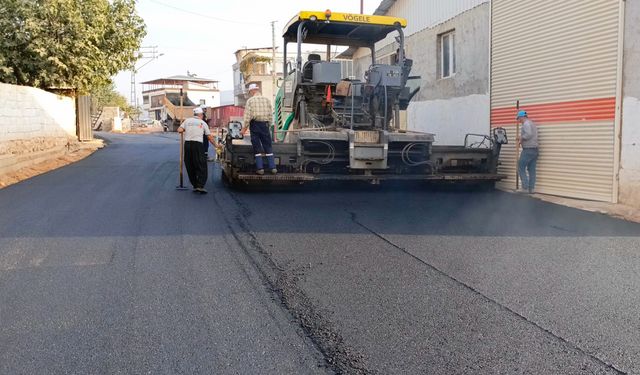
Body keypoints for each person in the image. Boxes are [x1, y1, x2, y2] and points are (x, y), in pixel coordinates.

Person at [177, 107, 221, 194]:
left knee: (190, 164)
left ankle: (195, 185)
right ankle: (200, 186)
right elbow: (209, 137)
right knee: (201, 164)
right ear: (201, 115)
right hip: (198, 145)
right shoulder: (203, 123)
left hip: (188, 145)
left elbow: (179, 130)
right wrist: (216, 145)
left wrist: (186, 129)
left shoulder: (187, 121)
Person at [241, 83, 277, 175]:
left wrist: (244, 128)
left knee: (257, 146)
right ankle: (273, 168)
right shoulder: (267, 100)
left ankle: (260, 169)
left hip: (255, 125)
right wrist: (268, 125)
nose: (250, 93)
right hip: (265, 125)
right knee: (267, 145)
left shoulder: (250, 101)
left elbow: (247, 116)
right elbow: (270, 115)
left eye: (250, 91)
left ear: (252, 91)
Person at [516, 110, 539, 194]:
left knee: (520, 166)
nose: (519, 121)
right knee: (532, 169)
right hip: (535, 150)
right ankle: (531, 189)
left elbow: (528, 134)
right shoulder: (532, 123)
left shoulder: (526, 124)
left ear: (522, 117)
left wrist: (521, 138)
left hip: (528, 150)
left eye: (518, 118)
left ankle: (525, 188)